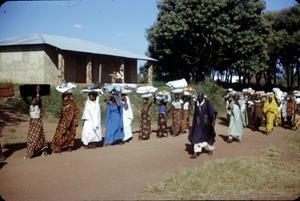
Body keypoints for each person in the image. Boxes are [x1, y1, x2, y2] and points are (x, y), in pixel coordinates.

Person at [188, 91, 217, 158]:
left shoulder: (207, 103)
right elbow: (195, 114)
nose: (199, 97)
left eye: (201, 96)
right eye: (198, 96)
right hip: (198, 124)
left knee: (208, 137)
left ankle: (210, 149)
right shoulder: (196, 103)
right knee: (196, 136)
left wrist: (213, 122)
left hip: (206, 124)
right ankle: (195, 152)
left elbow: (213, 112)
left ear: (203, 96)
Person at [24, 85, 48, 159]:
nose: (33, 101)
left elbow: (37, 100)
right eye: (32, 100)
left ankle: (30, 153)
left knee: (34, 138)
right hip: (32, 123)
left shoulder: (38, 105)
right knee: (37, 137)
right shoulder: (31, 105)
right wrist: (24, 95)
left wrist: (37, 91)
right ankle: (43, 150)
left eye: (34, 100)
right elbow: (26, 100)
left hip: (37, 123)